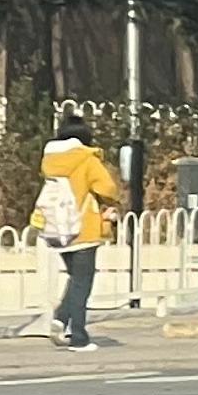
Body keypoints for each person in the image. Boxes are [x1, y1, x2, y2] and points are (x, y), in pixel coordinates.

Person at [29, 111, 127, 349]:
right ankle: (79, 336)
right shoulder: (87, 159)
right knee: (83, 283)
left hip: (58, 228)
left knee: (75, 279)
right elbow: (108, 188)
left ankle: (61, 320)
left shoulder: (50, 161)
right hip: (84, 227)